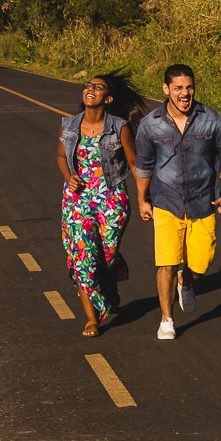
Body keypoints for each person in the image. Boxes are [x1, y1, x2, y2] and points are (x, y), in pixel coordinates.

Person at [134, 64, 221, 340]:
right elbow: (144, 166)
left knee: (201, 264)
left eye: (189, 87)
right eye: (179, 88)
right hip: (166, 202)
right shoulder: (150, 124)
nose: (185, 93)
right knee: (166, 263)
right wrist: (142, 200)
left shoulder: (212, 120)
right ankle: (166, 319)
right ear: (166, 89)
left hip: (203, 202)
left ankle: (187, 280)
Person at [55, 71, 145, 336]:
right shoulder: (69, 125)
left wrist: (143, 198)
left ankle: (110, 284)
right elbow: (61, 156)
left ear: (108, 98)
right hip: (76, 199)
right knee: (84, 258)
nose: (91, 89)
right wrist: (68, 176)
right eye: (88, 85)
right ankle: (92, 318)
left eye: (99, 87)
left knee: (105, 256)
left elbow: (134, 163)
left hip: (112, 199)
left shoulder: (119, 127)